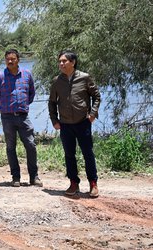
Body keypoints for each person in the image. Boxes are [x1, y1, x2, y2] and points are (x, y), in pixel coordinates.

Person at [48, 50, 101, 198]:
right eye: (60, 61)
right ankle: (73, 182)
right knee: (69, 155)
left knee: (88, 153)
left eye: (64, 61)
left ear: (73, 62)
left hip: (82, 123)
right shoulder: (57, 81)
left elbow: (96, 96)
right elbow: (52, 102)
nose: (61, 64)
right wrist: (54, 120)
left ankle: (93, 183)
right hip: (65, 124)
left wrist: (92, 114)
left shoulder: (85, 78)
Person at [0, 49, 42, 187]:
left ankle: (34, 177)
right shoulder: (0, 77)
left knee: (31, 145)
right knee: (11, 147)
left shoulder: (27, 75)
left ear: (18, 60)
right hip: (7, 118)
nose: (10, 61)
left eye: (12, 59)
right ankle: (15, 177)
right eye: (7, 59)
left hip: (23, 116)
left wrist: (22, 105)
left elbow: (31, 93)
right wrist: (4, 106)